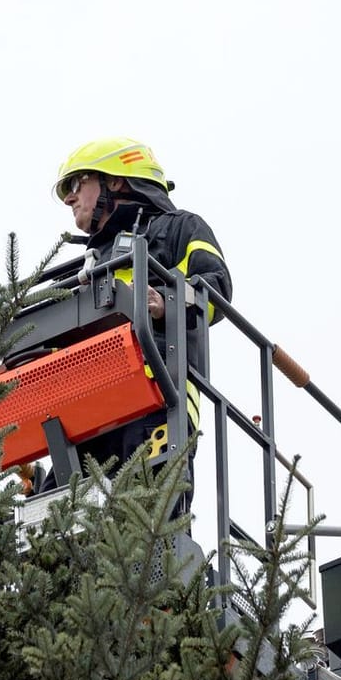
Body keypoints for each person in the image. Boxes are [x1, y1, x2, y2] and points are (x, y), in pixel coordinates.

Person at [52, 137, 231, 485]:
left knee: (151, 514)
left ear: (115, 180)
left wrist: (165, 302)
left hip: (159, 396)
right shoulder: (86, 263)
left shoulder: (179, 227)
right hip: (86, 412)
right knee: (50, 517)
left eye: (76, 184)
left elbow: (218, 290)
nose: (69, 198)